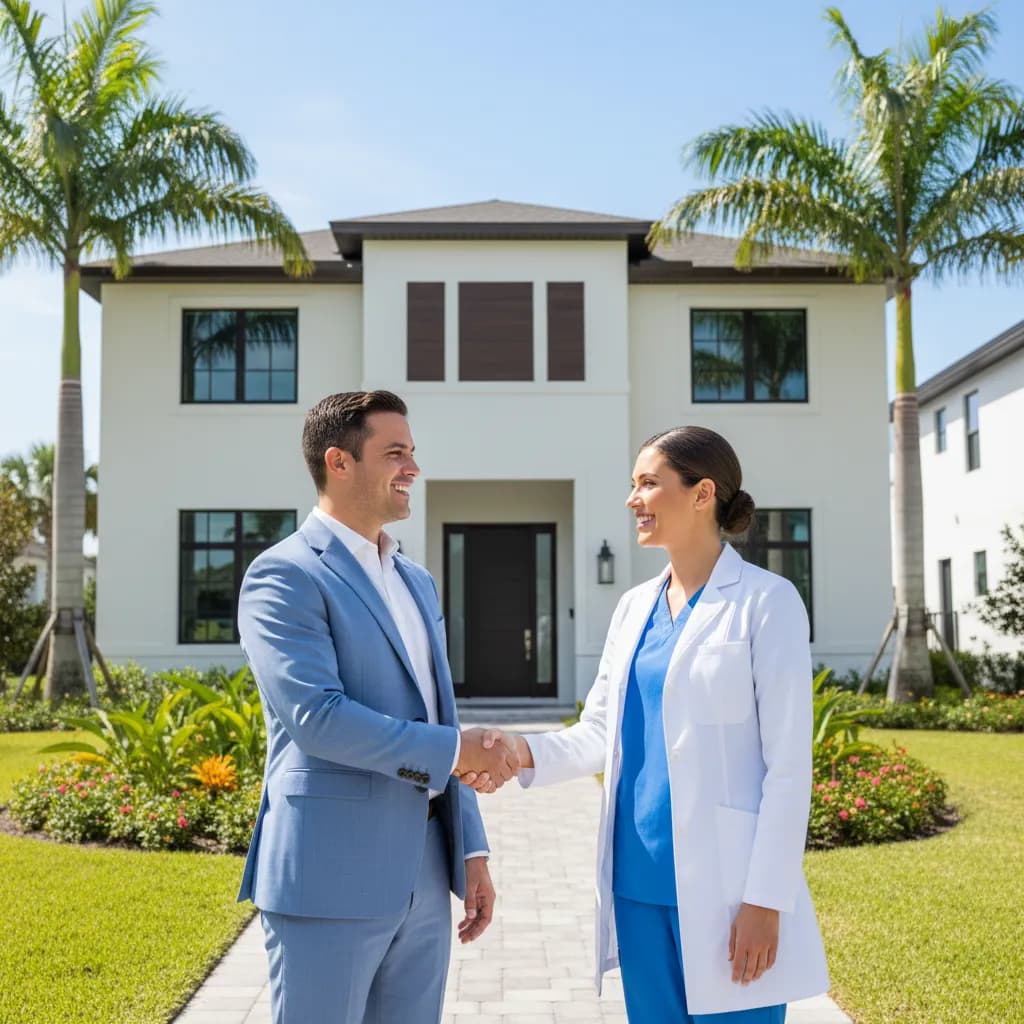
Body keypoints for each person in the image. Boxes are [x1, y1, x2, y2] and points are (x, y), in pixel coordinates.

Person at [463, 426, 830, 1022]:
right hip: (636, 882)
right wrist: (516, 749)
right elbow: (598, 730)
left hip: (727, 888)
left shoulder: (768, 602)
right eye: (632, 485)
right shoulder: (634, 606)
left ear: (702, 492)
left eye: (648, 484)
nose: (633, 499)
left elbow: (789, 768)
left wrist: (767, 900)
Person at [237, 390, 519, 1024]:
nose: (413, 468)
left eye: (413, 452)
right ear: (339, 461)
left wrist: (471, 851)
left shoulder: (415, 580)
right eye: (396, 453)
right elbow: (317, 717)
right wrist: (455, 753)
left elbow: (440, 714)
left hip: (424, 874)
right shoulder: (283, 575)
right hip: (328, 874)